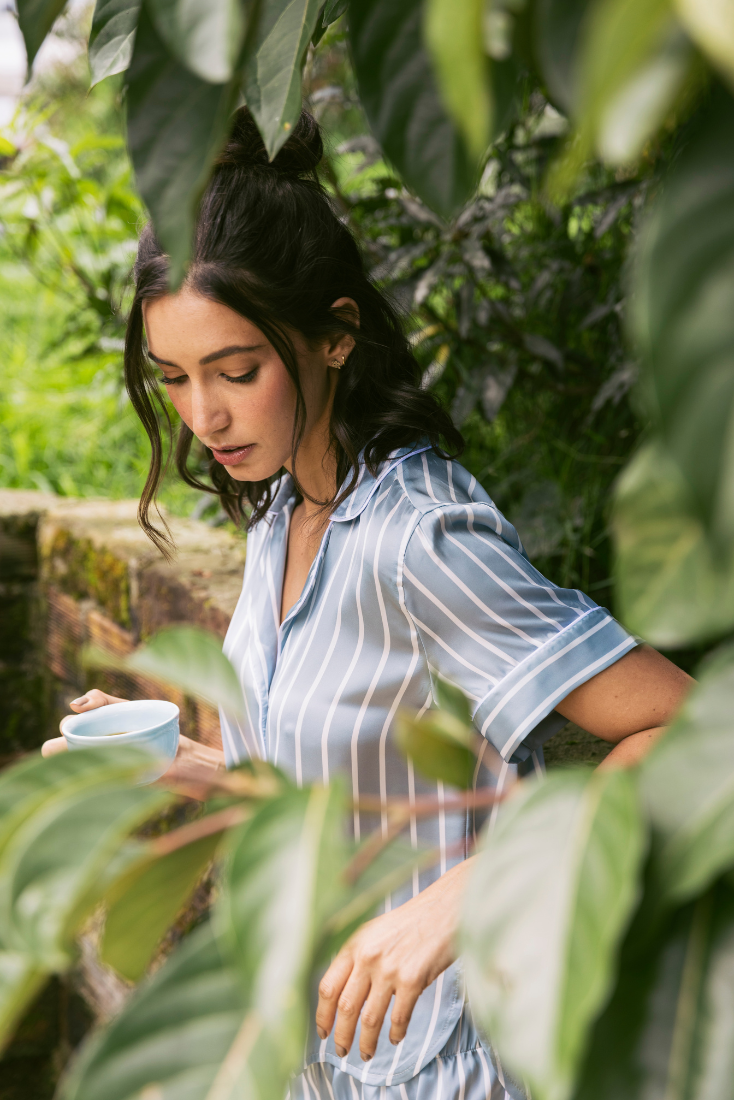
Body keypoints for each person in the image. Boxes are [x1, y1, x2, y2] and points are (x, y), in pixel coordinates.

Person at [43, 108, 691, 1100]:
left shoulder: (420, 538)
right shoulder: (282, 511)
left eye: (237, 371)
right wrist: (195, 768)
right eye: (174, 378)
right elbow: (347, 783)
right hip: (320, 1063)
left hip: (449, 1068)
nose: (203, 416)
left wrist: (459, 899)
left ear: (335, 338)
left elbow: (689, 732)